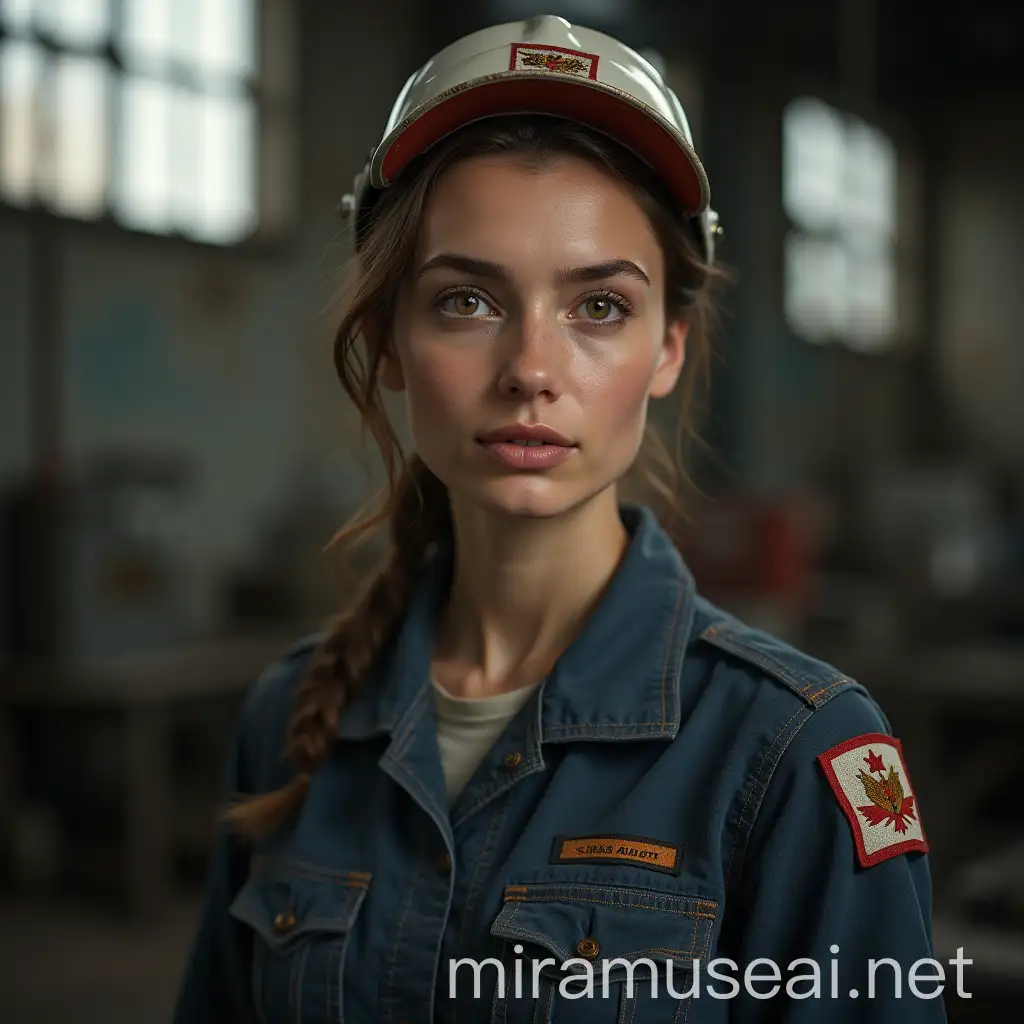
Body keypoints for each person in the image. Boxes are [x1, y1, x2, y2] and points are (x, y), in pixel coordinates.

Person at [173, 15, 946, 1024]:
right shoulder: (292, 718)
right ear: (390, 340)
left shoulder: (795, 750)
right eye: (465, 300)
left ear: (667, 348)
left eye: (597, 308)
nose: (531, 369)